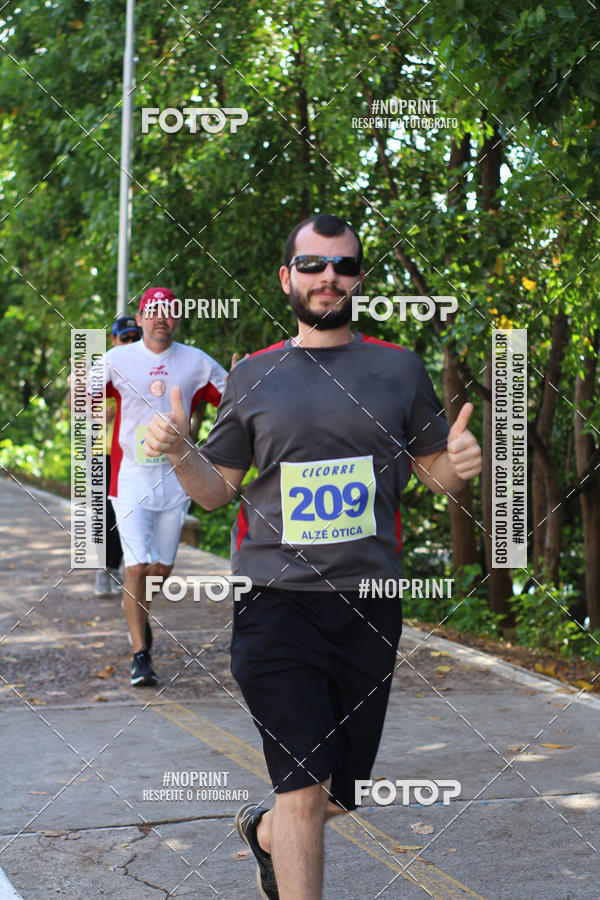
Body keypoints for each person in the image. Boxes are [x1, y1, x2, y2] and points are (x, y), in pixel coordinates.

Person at [143, 215, 482, 899]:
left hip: (369, 603)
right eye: (313, 265)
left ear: (359, 278)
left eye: (344, 266)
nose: (330, 277)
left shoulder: (398, 368)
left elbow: (435, 472)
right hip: (276, 601)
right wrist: (180, 452)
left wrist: (463, 464)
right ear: (287, 277)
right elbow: (216, 492)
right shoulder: (254, 375)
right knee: (302, 788)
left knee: (340, 794)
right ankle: (284, 826)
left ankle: (265, 832)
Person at [88, 287, 227, 687]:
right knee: (136, 565)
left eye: (168, 311)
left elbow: (235, 401)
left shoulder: (196, 361)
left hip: (177, 479)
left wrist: (245, 379)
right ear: (141, 318)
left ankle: (139, 613)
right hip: (130, 479)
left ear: (177, 318)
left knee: (160, 568)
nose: (160, 318)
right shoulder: (117, 359)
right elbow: (79, 401)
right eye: (152, 311)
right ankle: (140, 655)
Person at [93, 315, 142, 596]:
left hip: (134, 454)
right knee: (105, 513)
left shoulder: (144, 367)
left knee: (128, 512)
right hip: (103, 452)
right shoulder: (105, 366)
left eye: (135, 338)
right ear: (113, 339)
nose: (130, 342)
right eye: (125, 338)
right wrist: (95, 413)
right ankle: (104, 570)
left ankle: (117, 566)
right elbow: (74, 401)